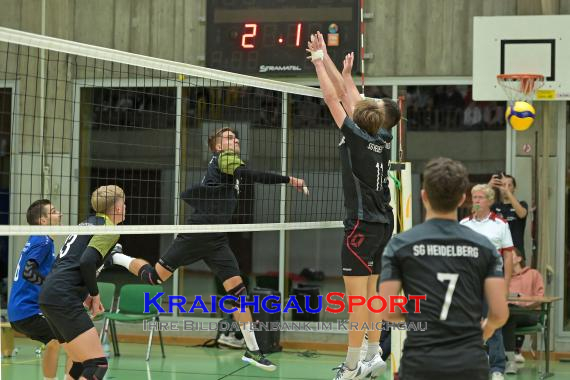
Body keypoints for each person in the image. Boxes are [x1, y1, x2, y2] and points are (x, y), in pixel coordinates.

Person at [105, 128, 307, 372]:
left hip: (217, 239)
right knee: (155, 278)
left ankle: (253, 351)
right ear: (218, 147)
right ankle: (116, 256)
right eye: (229, 138)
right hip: (197, 234)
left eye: (237, 137)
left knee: (238, 292)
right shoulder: (225, 159)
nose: (236, 140)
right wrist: (289, 180)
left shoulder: (227, 166)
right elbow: (251, 174)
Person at [306, 32, 396, 380]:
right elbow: (346, 95)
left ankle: (351, 365)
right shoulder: (383, 138)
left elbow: (334, 96)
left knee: (358, 302)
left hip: (361, 226)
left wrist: (318, 60)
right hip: (384, 223)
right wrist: (329, 60)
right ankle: (373, 356)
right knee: (371, 296)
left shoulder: (356, 135)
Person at [379, 157, 509, 380]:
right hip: (470, 363)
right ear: (461, 200)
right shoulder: (484, 247)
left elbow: (387, 311)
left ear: (424, 196)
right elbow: (499, 314)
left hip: (420, 362)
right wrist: (482, 333)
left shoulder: (400, 245)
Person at [38, 185, 125, 380]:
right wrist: (94, 294)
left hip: (49, 294)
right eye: (124, 204)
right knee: (97, 365)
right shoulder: (109, 229)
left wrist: (84, 294)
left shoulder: (85, 224)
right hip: (63, 296)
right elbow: (86, 261)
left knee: (79, 362)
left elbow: (70, 263)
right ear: (118, 208)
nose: (125, 207)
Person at [8, 199, 68, 380]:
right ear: (42, 220)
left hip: (21, 310)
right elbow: (28, 272)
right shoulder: (42, 241)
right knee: (62, 341)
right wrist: (51, 286)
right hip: (27, 311)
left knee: (63, 340)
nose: (60, 214)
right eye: (54, 211)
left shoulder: (39, 239)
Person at [460, 183, 515, 380]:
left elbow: (508, 256)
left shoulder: (501, 225)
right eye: (474, 197)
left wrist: (506, 283)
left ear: (490, 201)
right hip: (469, 281)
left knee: (494, 322)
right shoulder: (464, 224)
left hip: (493, 279)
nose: (476, 201)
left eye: (480, 197)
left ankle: (497, 367)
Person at [502, 248, 544, 374]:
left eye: (510, 256)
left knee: (508, 314)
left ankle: (497, 355)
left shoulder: (533, 274)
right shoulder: (505, 278)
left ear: (519, 259)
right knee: (508, 315)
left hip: (529, 313)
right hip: (510, 314)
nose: (506, 259)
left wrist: (523, 303)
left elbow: (540, 297)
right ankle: (510, 360)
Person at [489, 173, 528, 256]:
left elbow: (521, 214)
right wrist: (488, 187)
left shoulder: (522, 204)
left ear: (514, 188)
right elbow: (476, 209)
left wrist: (507, 192)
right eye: (503, 185)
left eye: (509, 185)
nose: (505, 188)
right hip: (498, 254)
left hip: (516, 255)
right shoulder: (495, 206)